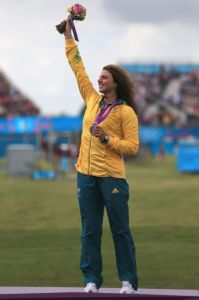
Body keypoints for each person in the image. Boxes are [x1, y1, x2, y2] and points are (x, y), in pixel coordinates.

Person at [64, 20, 139, 294]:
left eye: (104, 77)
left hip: (112, 177)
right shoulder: (92, 100)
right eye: (99, 77)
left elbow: (132, 147)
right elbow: (77, 67)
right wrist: (68, 36)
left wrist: (107, 139)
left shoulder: (125, 113)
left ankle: (128, 281)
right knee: (90, 230)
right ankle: (91, 280)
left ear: (115, 83)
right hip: (86, 175)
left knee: (120, 230)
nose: (99, 80)